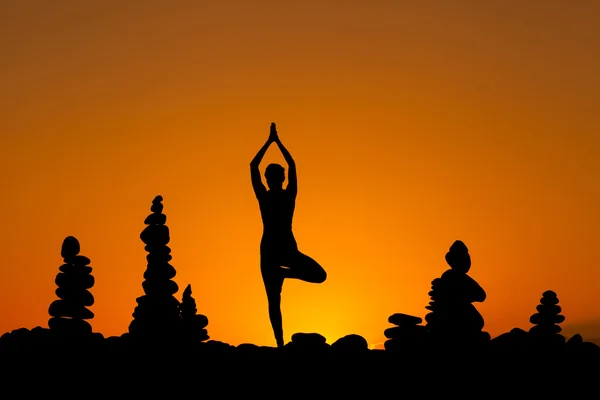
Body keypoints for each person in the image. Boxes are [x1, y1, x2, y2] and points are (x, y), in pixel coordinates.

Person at [250, 122, 327, 348]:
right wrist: (276, 141)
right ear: (275, 179)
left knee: (314, 278)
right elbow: (287, 164)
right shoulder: (275, 196)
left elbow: (255, 165)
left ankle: (285, 276)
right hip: (274, 251)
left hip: (284, 250)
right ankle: (280, 343)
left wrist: (271, 142)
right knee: (273, 301)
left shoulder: (280, 196)